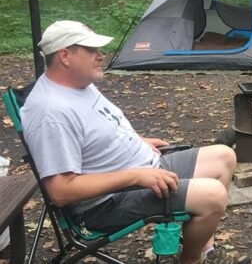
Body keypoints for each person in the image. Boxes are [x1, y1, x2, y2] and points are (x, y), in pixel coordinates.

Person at [20, 20, 237, 264]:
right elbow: (60, 191)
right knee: (214, 195)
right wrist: (135, 176)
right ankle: (191, 261)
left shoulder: (76, 84)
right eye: (91, 50)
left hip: (141, 170)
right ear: (65, 56)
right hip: (105, 204)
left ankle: (203, 245)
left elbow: (96, 129)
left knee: (224, 156)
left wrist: (138, 141)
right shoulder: (51, 112)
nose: (101, 56)